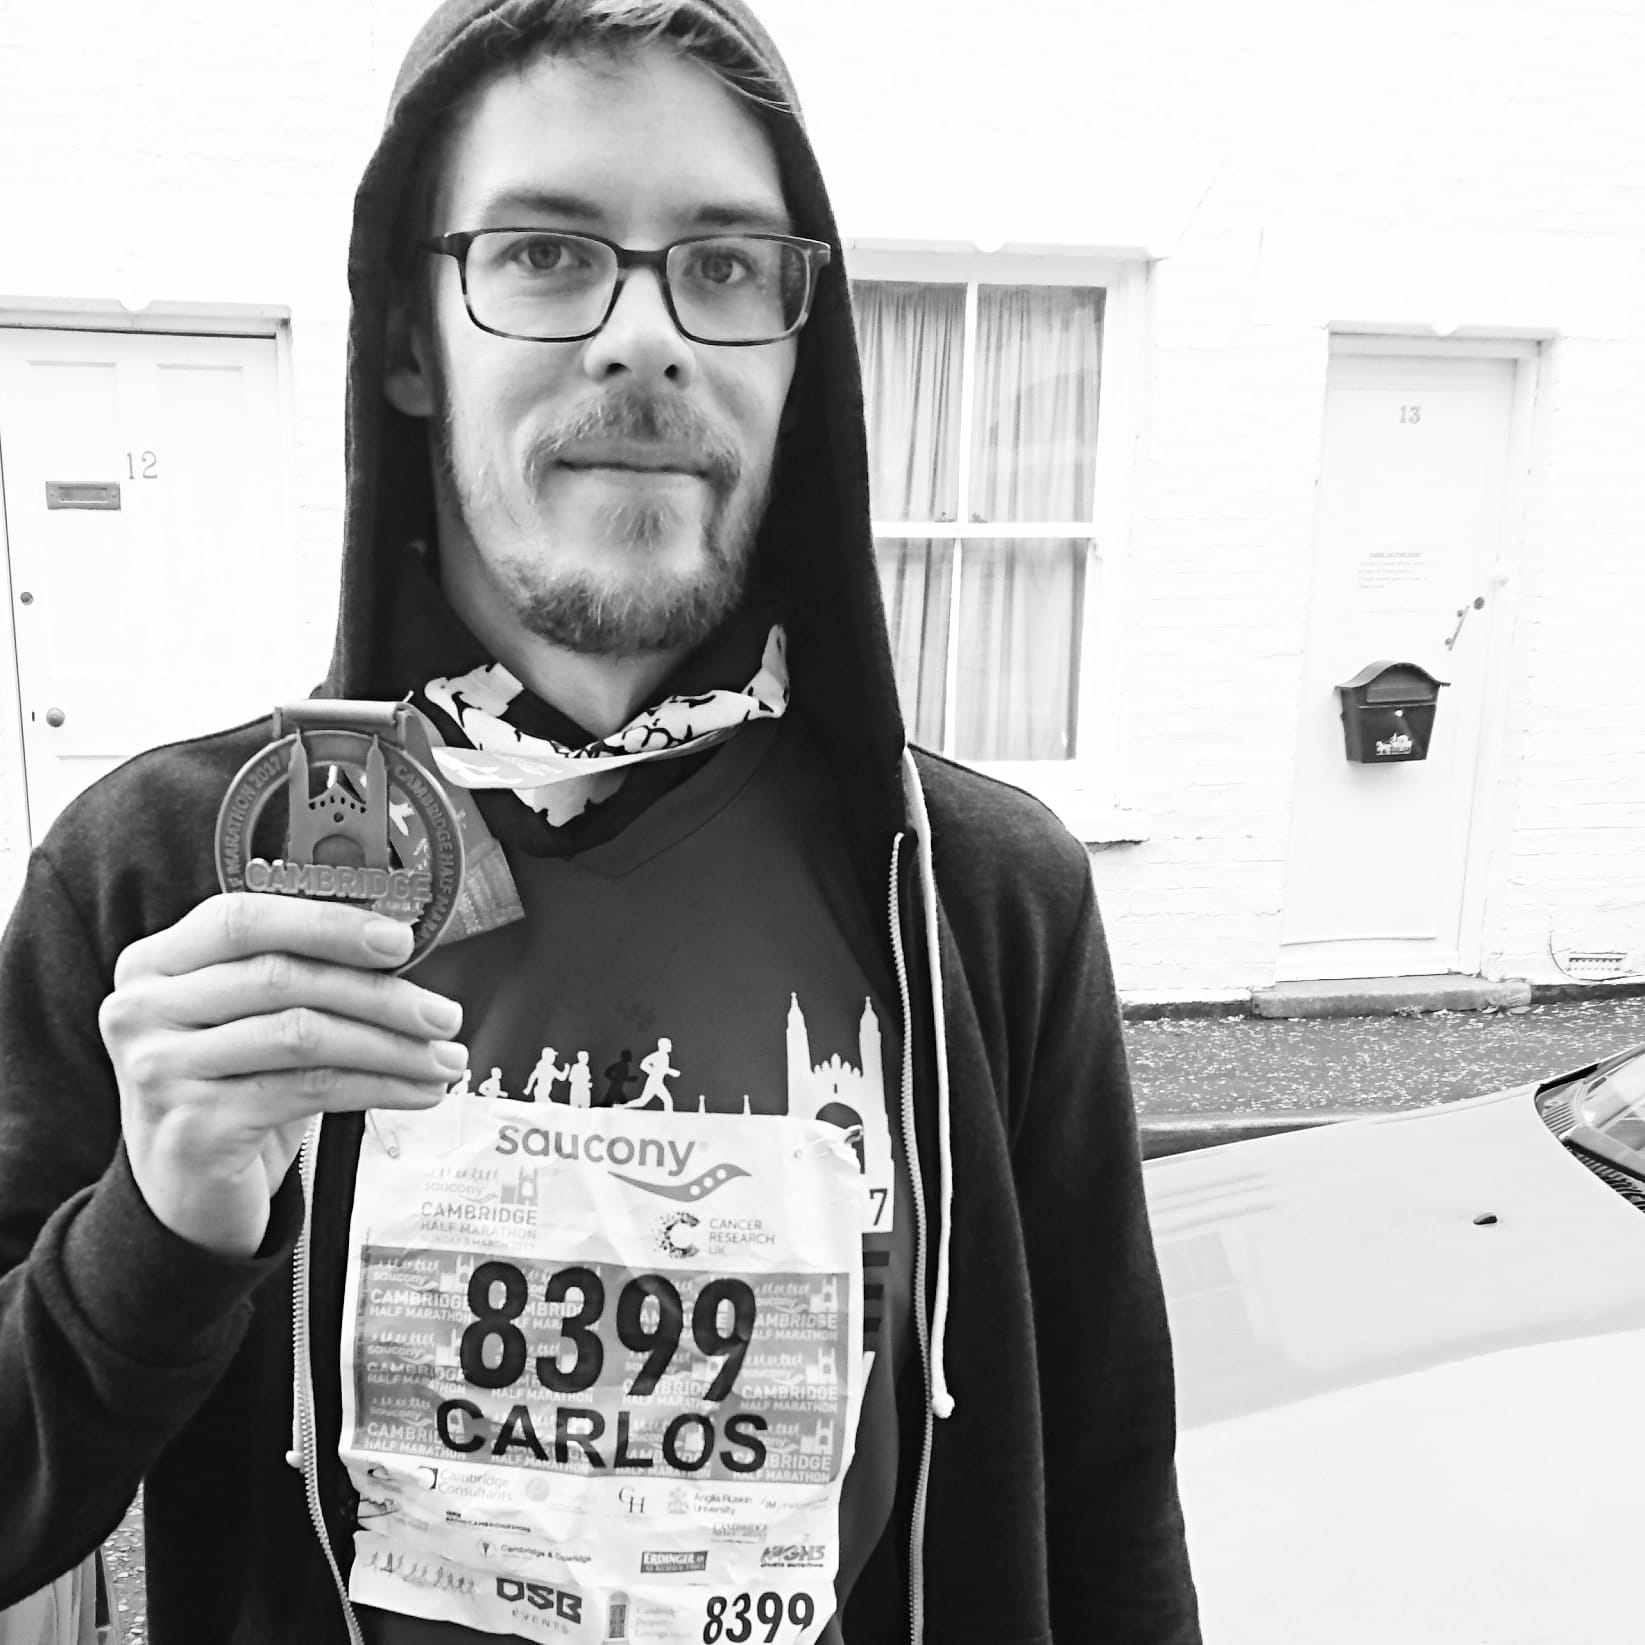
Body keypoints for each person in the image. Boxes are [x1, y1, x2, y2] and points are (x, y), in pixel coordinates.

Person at [0, 2, 1200, 1642]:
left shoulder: (980, 897)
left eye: (721, 265)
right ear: (410, 340)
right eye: (549, 254)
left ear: (798, 349)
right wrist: (162, 1224)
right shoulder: (171, 878)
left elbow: (1110, 1507)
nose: (647, 339)